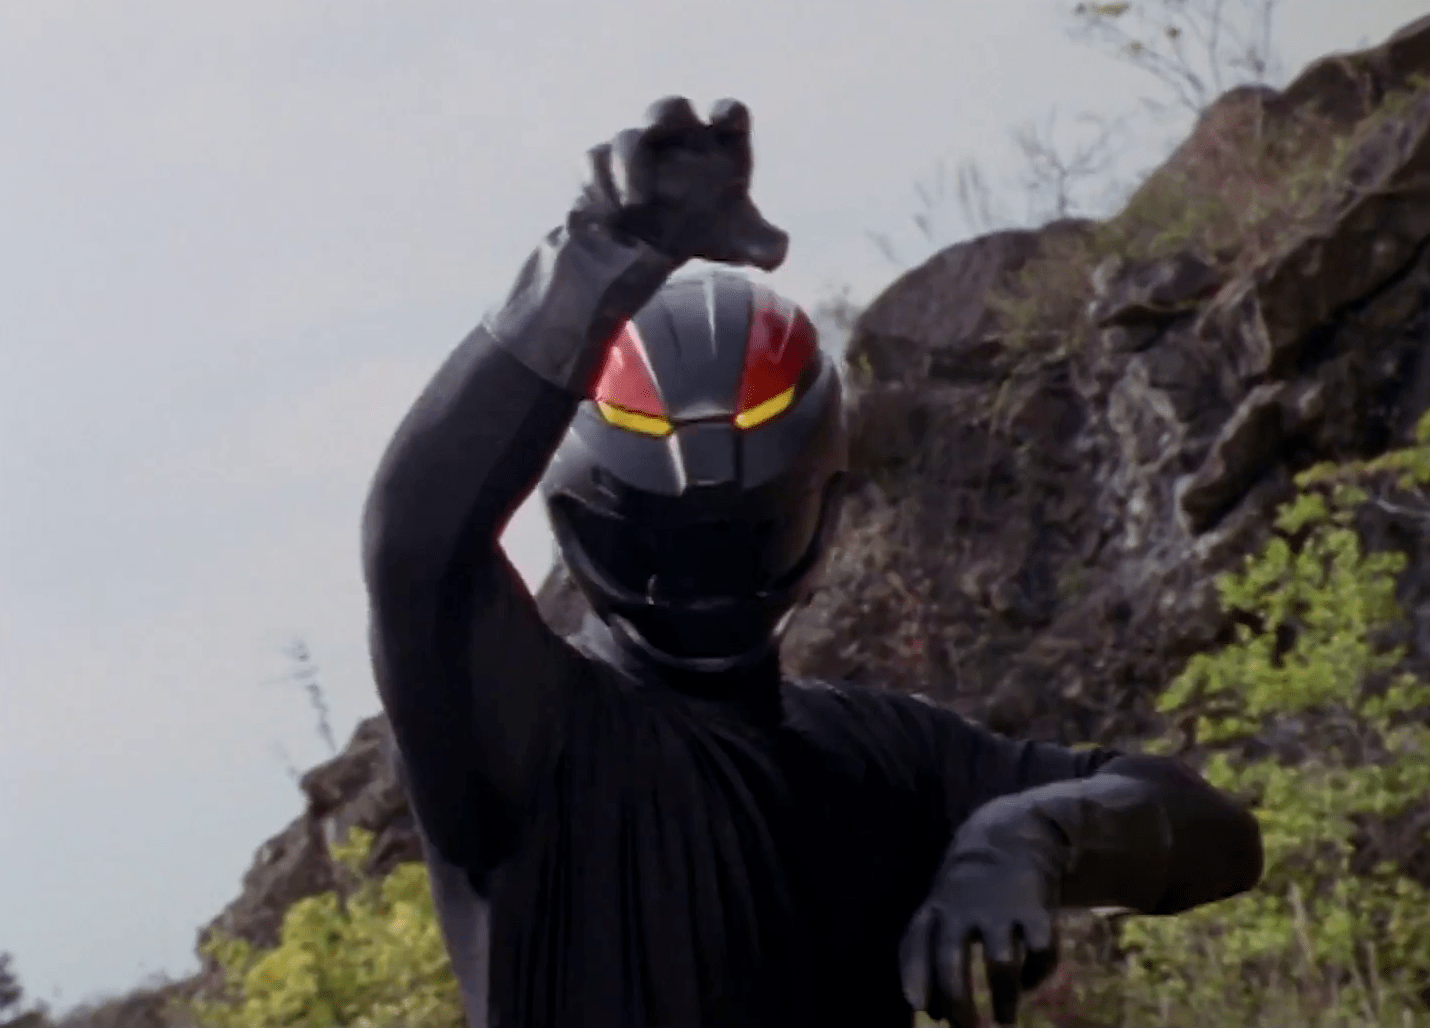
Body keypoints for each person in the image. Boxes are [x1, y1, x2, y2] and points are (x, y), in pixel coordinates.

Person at [361, 96, 1263, 1028]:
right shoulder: (528, 736)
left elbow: (1217, 836)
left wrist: (1038, 835)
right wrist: (592, 257)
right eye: (676, 539)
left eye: (731, 534)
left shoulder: (891, 756)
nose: (703, 570)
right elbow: (414, 545)